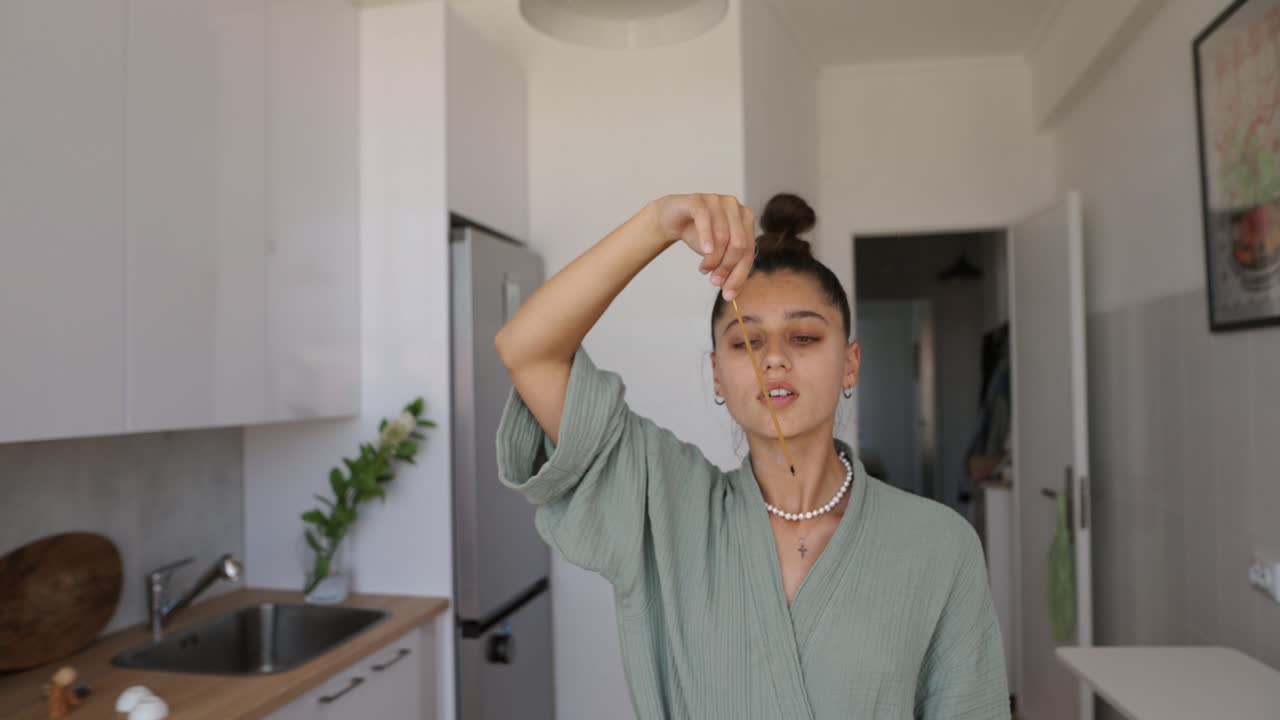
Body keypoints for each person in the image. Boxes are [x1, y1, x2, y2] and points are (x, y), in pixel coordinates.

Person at [494, 192, 1010, 719]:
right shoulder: (662, 505)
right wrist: (657, 224)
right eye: (746, 342)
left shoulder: (939, 545)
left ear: (851, 364)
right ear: (717, 374)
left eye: (804, 336)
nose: (776, 358)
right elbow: (528, 350)